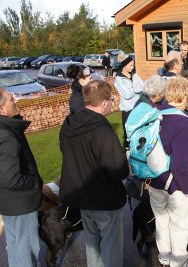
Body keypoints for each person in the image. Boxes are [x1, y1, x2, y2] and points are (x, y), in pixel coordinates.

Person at [59, 80, 129, 267]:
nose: (112, 103)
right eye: (112, 100)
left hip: (82, 197)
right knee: (110, 246)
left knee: (92, 243)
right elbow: (118, 170)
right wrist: (125, 162)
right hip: (103, 199)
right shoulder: (101, 130)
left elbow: (66, 152)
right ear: (105, 102)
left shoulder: (68, 124)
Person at [148, 77, 188, 267]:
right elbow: (180, 164)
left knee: (161, 223)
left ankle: (164, 259)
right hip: (176, 185)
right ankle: (179, 262)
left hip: (155, 181)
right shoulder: (183, 123)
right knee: (180, 226)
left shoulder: (153, 114)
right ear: (183, 98)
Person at [0, 88, 43, 267]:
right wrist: (35, 183)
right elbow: (11, 178)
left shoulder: (1, 128)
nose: (15, 101)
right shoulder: (5, 135)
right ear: (0, 108)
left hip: (5, 201)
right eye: (11, 100)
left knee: (15, 246)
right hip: (19, 203)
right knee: (26, 250)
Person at [114, 56, 144, 149]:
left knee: (140, 132)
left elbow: (142, 87)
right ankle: (128, 153)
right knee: (128, 134)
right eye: (130, 65)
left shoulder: (135, 75)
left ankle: (140, 152)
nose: (133, 67)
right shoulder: (119, 79)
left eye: (133, 65)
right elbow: (127, 95)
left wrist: (133, 89)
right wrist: (136, 88)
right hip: (128, 110)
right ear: (124, 65)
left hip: (138, 107)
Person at [160, 50, 188, 118]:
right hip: (180, 120)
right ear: (176, 67)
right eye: (181, 60)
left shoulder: (159, 81)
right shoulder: (181, 84)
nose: (182, 63)